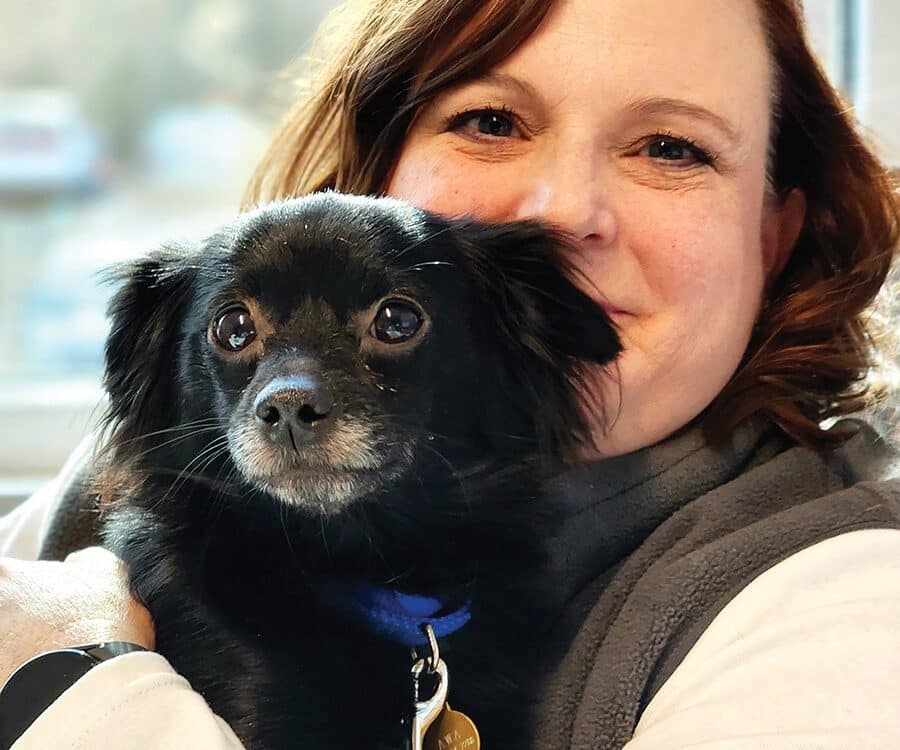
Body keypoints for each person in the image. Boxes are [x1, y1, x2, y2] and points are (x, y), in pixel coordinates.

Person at [2, 0, 899, 747]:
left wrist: (63, 680)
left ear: (772, 239)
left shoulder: (843, 605)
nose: (566, 208)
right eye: (491, 122)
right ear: (382, 161)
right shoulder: (141, 472)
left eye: (671, 147)